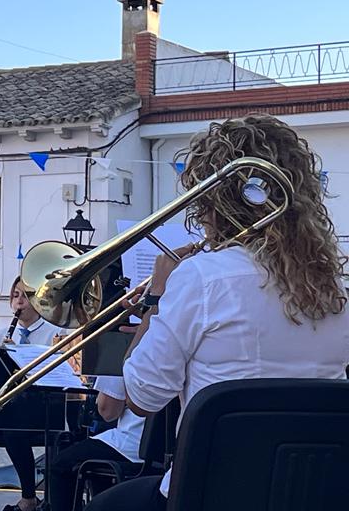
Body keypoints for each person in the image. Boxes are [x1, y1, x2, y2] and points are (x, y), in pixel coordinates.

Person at [86, 115, 349, 511]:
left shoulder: (200, 277)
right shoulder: (335, 290)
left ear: (214, 200)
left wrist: (156, 298)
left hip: (210, 492)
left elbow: (142, 397)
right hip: (311, 494)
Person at [0, 276, 66, 511]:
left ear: (38, 301)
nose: (19, 301)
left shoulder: (55, 333)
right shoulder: (2, 334)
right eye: (15, 295)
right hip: (11, 406)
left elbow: (57, 376)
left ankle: (28, 498)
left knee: (12, 426)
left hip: (43, 406)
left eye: (26, 296)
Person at [46, 375, 144, 511]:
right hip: (165, 449)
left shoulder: (118, 361)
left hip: (132, 444)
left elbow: (107, 412)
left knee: (61, 465)